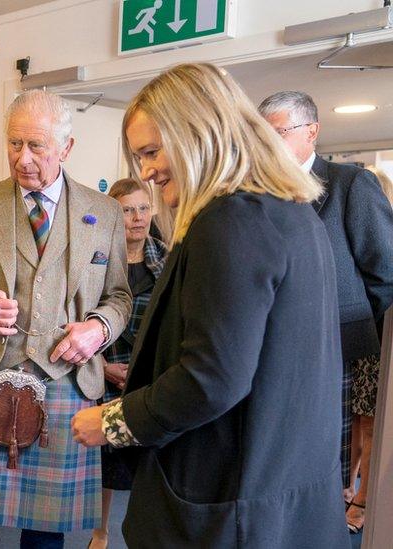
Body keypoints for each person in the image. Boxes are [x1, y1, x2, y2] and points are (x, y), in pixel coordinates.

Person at [71, 63, 349, 548]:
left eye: (152, 152)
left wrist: (114, 422)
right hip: (280, 496)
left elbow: (211, 378)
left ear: (198, 132)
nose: (147, 173)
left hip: (225, 505)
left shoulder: (230, 221)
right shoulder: (292, 213)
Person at [0, 89, 132, 547]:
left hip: (66, 383)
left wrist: (97, 329)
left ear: (66, 148)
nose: (23, 159)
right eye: (15, 144)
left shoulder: (105, 212)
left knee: (44, 525)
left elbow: (119, 297)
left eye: (37, 146)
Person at [258, 91, 393, 508]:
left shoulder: (350, 184)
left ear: (311, 132)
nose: (267, 143)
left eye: (278, 132)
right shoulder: (257, 192)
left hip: (337, 348)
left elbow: (385, 271)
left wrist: (357, 332)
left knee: (324, 469)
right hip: (272, 349)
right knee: (278, 462)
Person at [90, 178, 168, 549]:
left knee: (148, 466)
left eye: (143, 208)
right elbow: (75, 316)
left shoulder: (168, 258)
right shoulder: (95, 258)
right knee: (107, 467)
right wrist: (100, 364)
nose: (137, 218)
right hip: (102, 374)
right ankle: (100, 533)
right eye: (126, 209)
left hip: (149, 379)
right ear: (112, 213)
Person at [344, 165, 393, 533]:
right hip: (359, 338)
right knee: (357, 420)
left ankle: (363, 499)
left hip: (380, 335)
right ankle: (350, 483)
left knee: (373, 423)